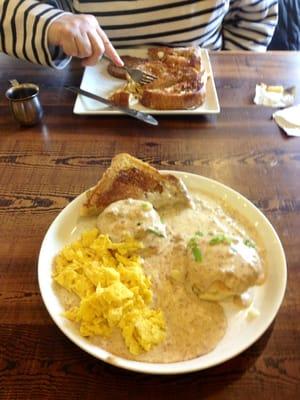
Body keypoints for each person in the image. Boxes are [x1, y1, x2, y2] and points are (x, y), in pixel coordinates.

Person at [0, 0, 278, 69]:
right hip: (93, 102)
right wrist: (52, 22)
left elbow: (259, 14)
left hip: (207, 103)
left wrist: (223, 73)